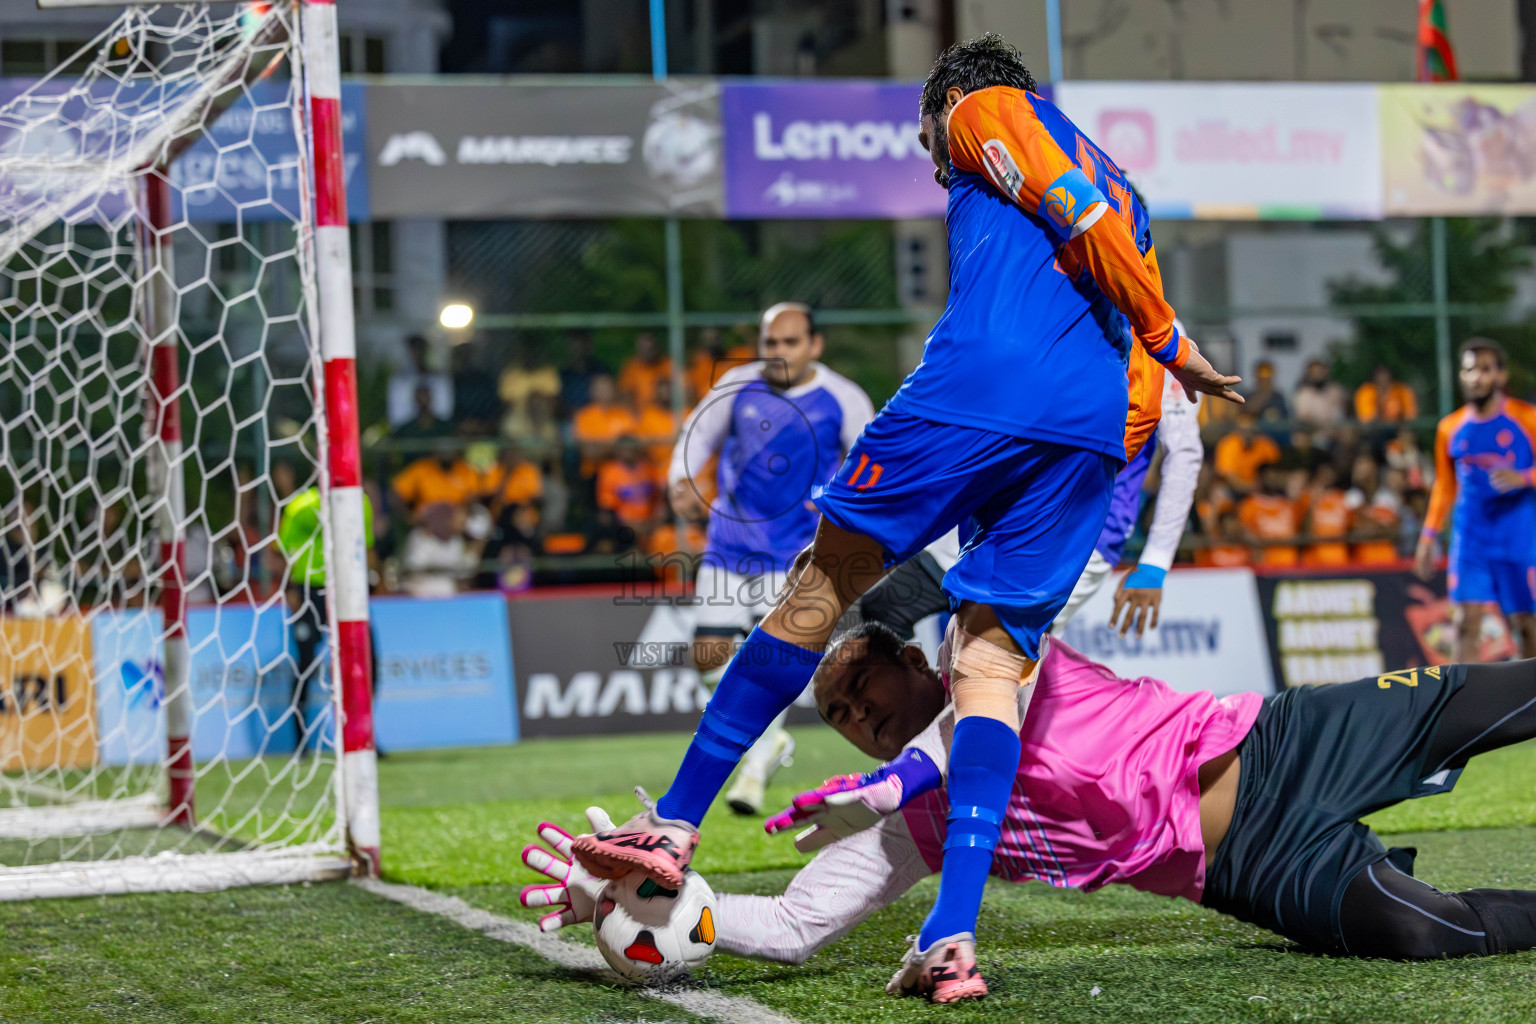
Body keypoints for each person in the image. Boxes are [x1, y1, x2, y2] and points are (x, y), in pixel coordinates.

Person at [570, 33, 1241, 1000]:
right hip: (1087, 430)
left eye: (926, 137)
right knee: (991, 668)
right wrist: (1101, 437)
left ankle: (673, 822)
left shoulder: (983, 111)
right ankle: (953, 937)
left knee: (824, 585)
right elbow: (1113, 287)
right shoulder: (1127, 181)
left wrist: (1172, 342)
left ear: (946, 104)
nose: (933, 160)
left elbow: (1076, 216)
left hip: (980, 392)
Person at [525, 622, 1536, 988]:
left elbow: (961, 736)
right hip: (1247, 872)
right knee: (1424, 934)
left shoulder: (993, 641)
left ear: (915, 659)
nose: (855, 713)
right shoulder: (916, 824)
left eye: (863, 687)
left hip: (1281, 741)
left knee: (1506, 697)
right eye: (836, 713)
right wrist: (633, 905)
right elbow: (791, 926)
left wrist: (886, 786)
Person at [667, 302, 874, 815]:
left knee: (766, 662)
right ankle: (771, 744)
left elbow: (873, 463)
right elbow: (696, 438)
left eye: (789, 342)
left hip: (797, 554)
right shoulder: (737, 386)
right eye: (770, 343)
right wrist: (680, 479)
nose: (778, 352)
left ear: (814, 345)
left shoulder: (843, 398)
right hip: (729, 545)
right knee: (707, 658)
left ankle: (756, 769)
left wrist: (838, 498)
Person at [1416, 339, 1536, 661]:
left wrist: (1524, 478)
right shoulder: (1450, 428)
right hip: (1471, 540)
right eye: (1469, 370)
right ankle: (1462, 709)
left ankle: (1528, 708)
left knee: (1527, 628)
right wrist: (1428, 534)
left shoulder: (1527, 419)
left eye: (1485, 369)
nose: (1476, 377)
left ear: (1500, 375)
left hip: (1519, 540)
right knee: (1465, 625)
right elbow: (1444, 485)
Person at [276, 486, 376, 754]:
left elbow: (365, 545)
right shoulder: (299, 506)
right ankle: (300, 744)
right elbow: (282, 553)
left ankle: (361, 735)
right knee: (305, 666)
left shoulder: (359, 500)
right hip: (309, 591)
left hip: (348, 590)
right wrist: (289, 589)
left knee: (366, 662)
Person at [1238, 463, 1300, 567]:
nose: (1272, 481)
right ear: (1260, 479)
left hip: (1290, 562)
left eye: (1274, 477)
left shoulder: (1287, 504)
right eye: (1268, 477)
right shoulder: (1249, 505)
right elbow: (1245, 533)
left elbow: (1296, 531)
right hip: (1264, 565)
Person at [386, 334, 453, 428]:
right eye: (414, 350)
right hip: (406, 430)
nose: (418, 354)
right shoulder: (400, 381)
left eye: (421, 349)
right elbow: (396, 414)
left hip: (435, 427)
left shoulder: (439, 379)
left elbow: (445, 411)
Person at [1213, 412, 1280, 494]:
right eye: (1243, 431)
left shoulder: (1267, 445)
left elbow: (1273, 475)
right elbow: (1228, 477)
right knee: (1220, 490)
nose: (1247, 435)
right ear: (1237, 431)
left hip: (1263, 491)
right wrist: (1251, 489)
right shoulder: (1227, 445)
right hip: (1235, 490)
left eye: (1251, 431)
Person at [617, 332, 672, 409]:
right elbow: (625, 394)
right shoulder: (632, 368)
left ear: (656, 347)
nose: (647, 352)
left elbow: (685, 391)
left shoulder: (668, 365)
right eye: (644, 349)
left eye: (650, 348)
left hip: (666, 411)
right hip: (640, 414)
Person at [1292, 358, 1348, 430]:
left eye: (1320, 372)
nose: (1318, 376)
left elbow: (1340, 414)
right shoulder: (1303, 394)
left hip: (1334, 431)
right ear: (1309, 374)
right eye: (1314, 372)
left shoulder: (1336, 391)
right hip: (1312, 432)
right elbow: (1304, 418)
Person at [1244, 360, 1289, 424]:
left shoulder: (1278, 398)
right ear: (1257, 379)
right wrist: (1263, 395)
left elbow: (1285, 420)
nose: (1265, 383)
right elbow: (1246, 414)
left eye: (1267, 380)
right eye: (1262, 379)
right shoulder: (1248, 396)